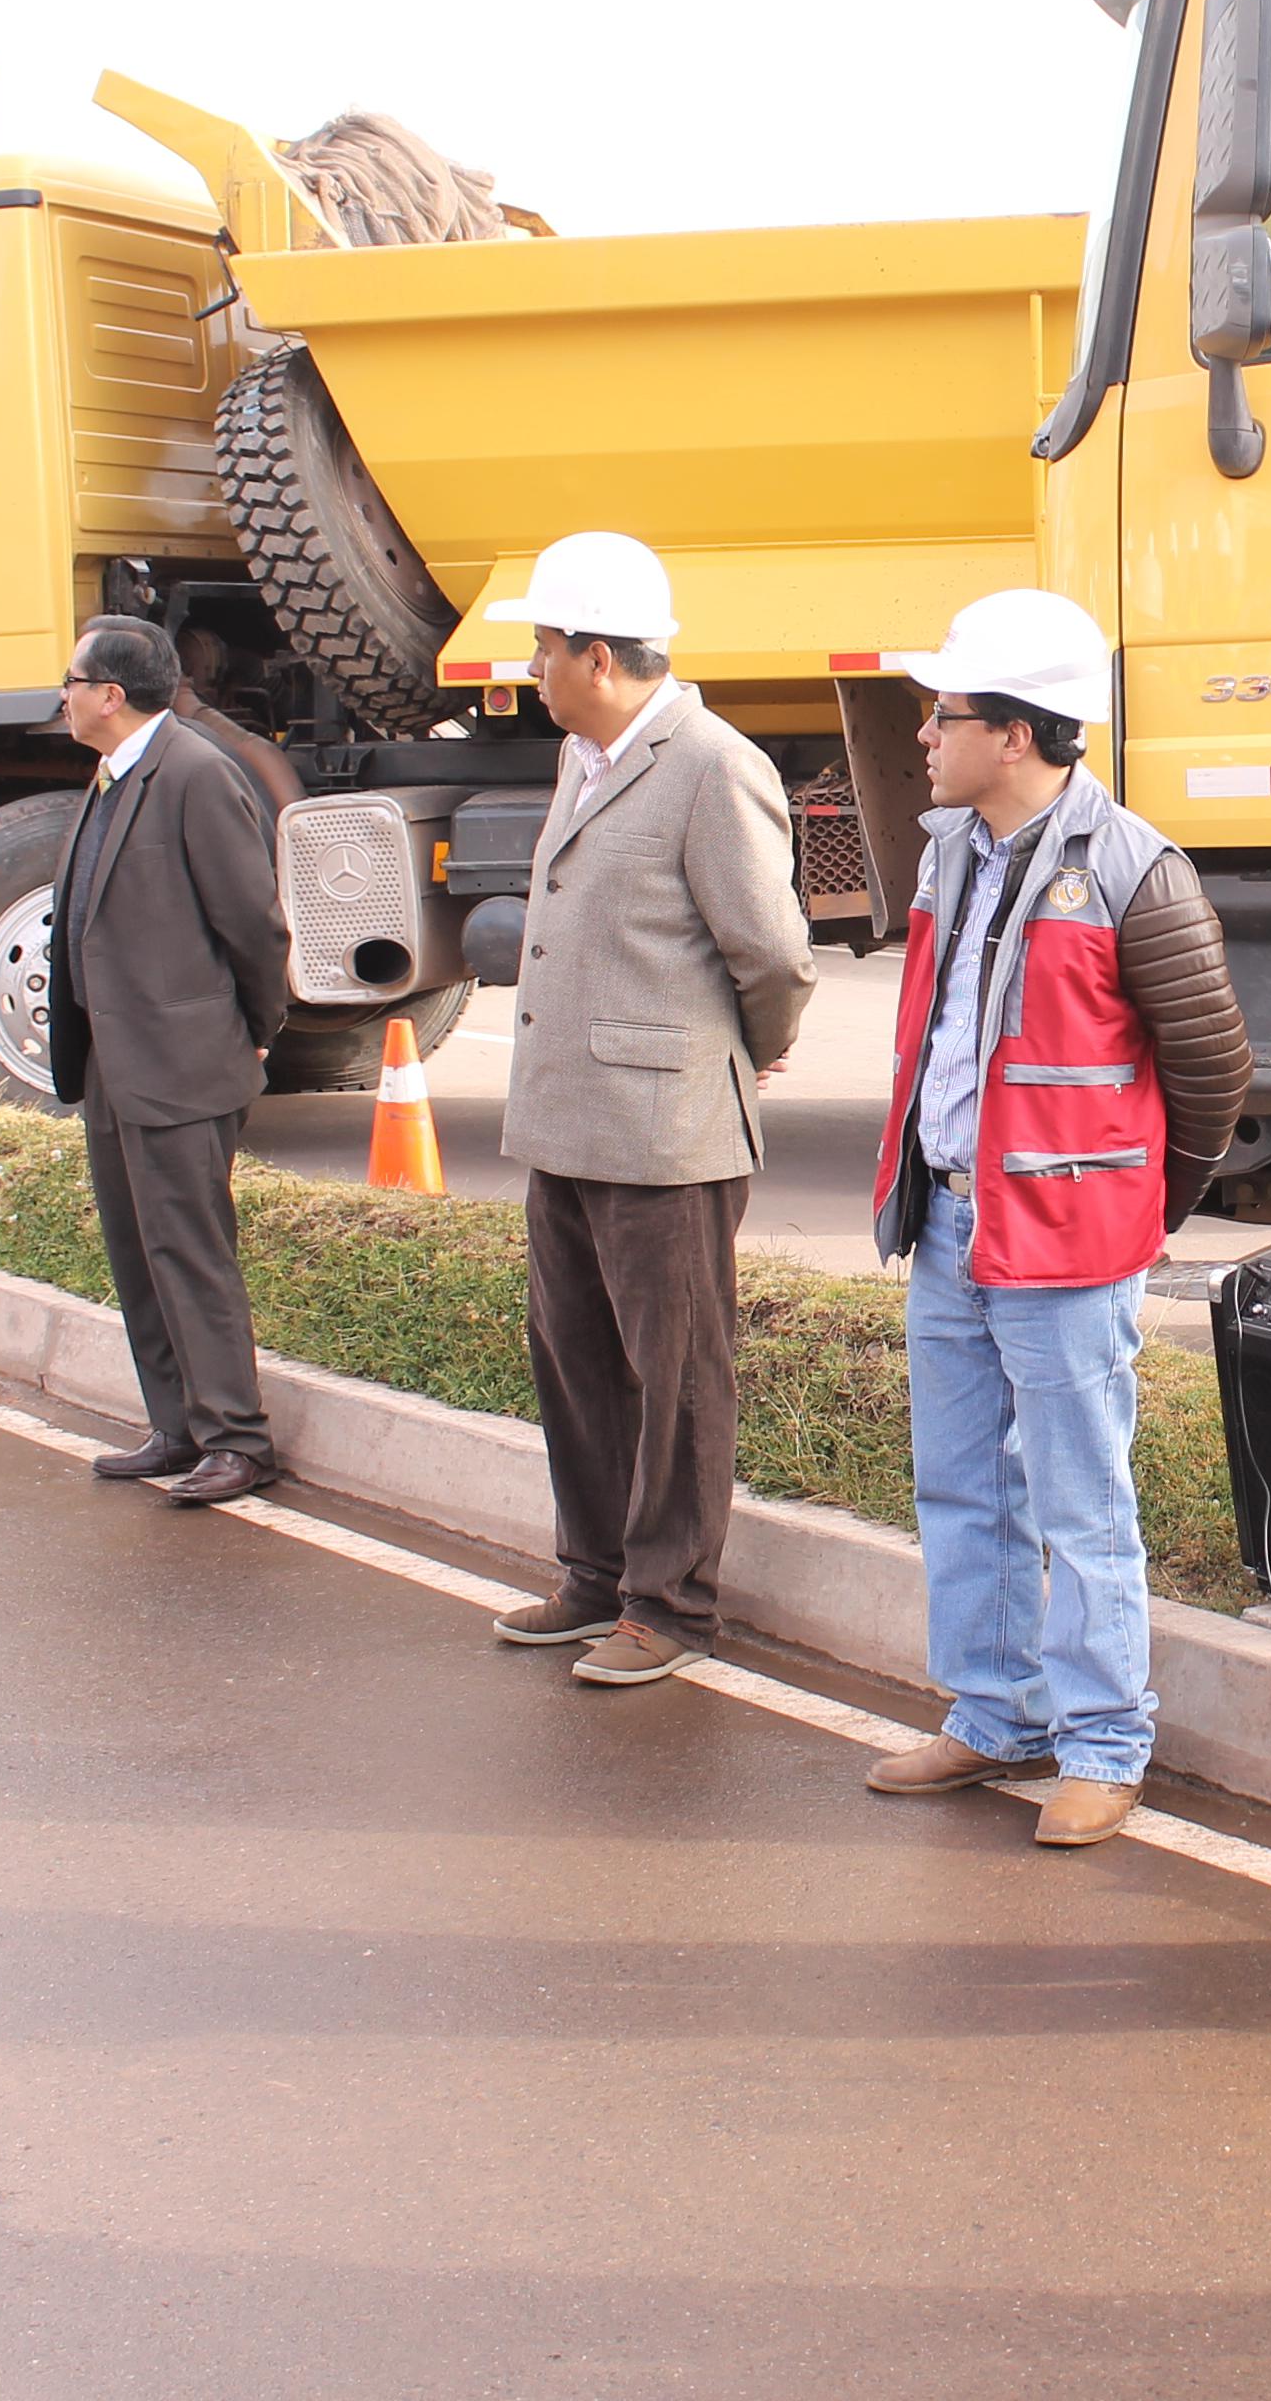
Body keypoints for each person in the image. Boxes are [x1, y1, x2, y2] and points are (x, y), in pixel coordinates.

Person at [865, 590, 1249, 1848]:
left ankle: (1102, 1742)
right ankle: (993, 1711)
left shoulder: (1134, 867)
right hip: (956, 1231)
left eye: (948, 714)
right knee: (961, 1484)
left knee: (1081, 1502)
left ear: (1018, 733)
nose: (926, 733)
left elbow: (1212, 1070)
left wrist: (1133, 1216)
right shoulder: (948, 853)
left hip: (1065, 1251)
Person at [479, 534, 818, 1689]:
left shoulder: (709, 763)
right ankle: (594, 1573)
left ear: (600, 657)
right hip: (570, 1122)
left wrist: (747, 1053)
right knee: (575, 1358)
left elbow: (773, 954)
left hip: (668, 1128)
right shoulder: (586, 756)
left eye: (544, 646)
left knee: (676, 1375)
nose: (531, 666)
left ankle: (670, 1604)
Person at [48, 615, 295, 1507]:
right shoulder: (113, 772)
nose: (63, 695)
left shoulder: (194, 775)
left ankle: (237, 1438)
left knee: (190, 1251)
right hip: (113, 1060)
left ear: (111, 696)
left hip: (184, 1060)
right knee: (137, 1248)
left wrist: (257, 1031)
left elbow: (255, 927)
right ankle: (176, 1425)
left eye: (72, 681)